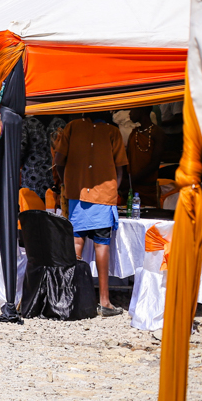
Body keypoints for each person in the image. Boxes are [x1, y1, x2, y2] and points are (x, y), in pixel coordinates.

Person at [54, 112, 128, 317]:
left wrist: (67, 183)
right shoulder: (113, 132)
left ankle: (73, 296)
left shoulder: (71, 127)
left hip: (76, 194)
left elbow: (59, 160)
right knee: (102, 244)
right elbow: (121, 168)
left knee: (77, 243)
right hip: (104, 195)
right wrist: (113, 189)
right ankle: (104, 301)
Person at [126, 107, 165, 206]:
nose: (130, 113)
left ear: (141, 111)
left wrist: (133, 179)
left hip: (148, 188)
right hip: (132, 188)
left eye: (133, 110)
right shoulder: (133, 134)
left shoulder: (157, 132)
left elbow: (155, 164)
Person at [20, 116, 53, 199]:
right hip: (54, 176)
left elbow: (20, 149)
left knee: (32, 207)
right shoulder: (60, 123)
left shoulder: (27, 123)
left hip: (32, 176)